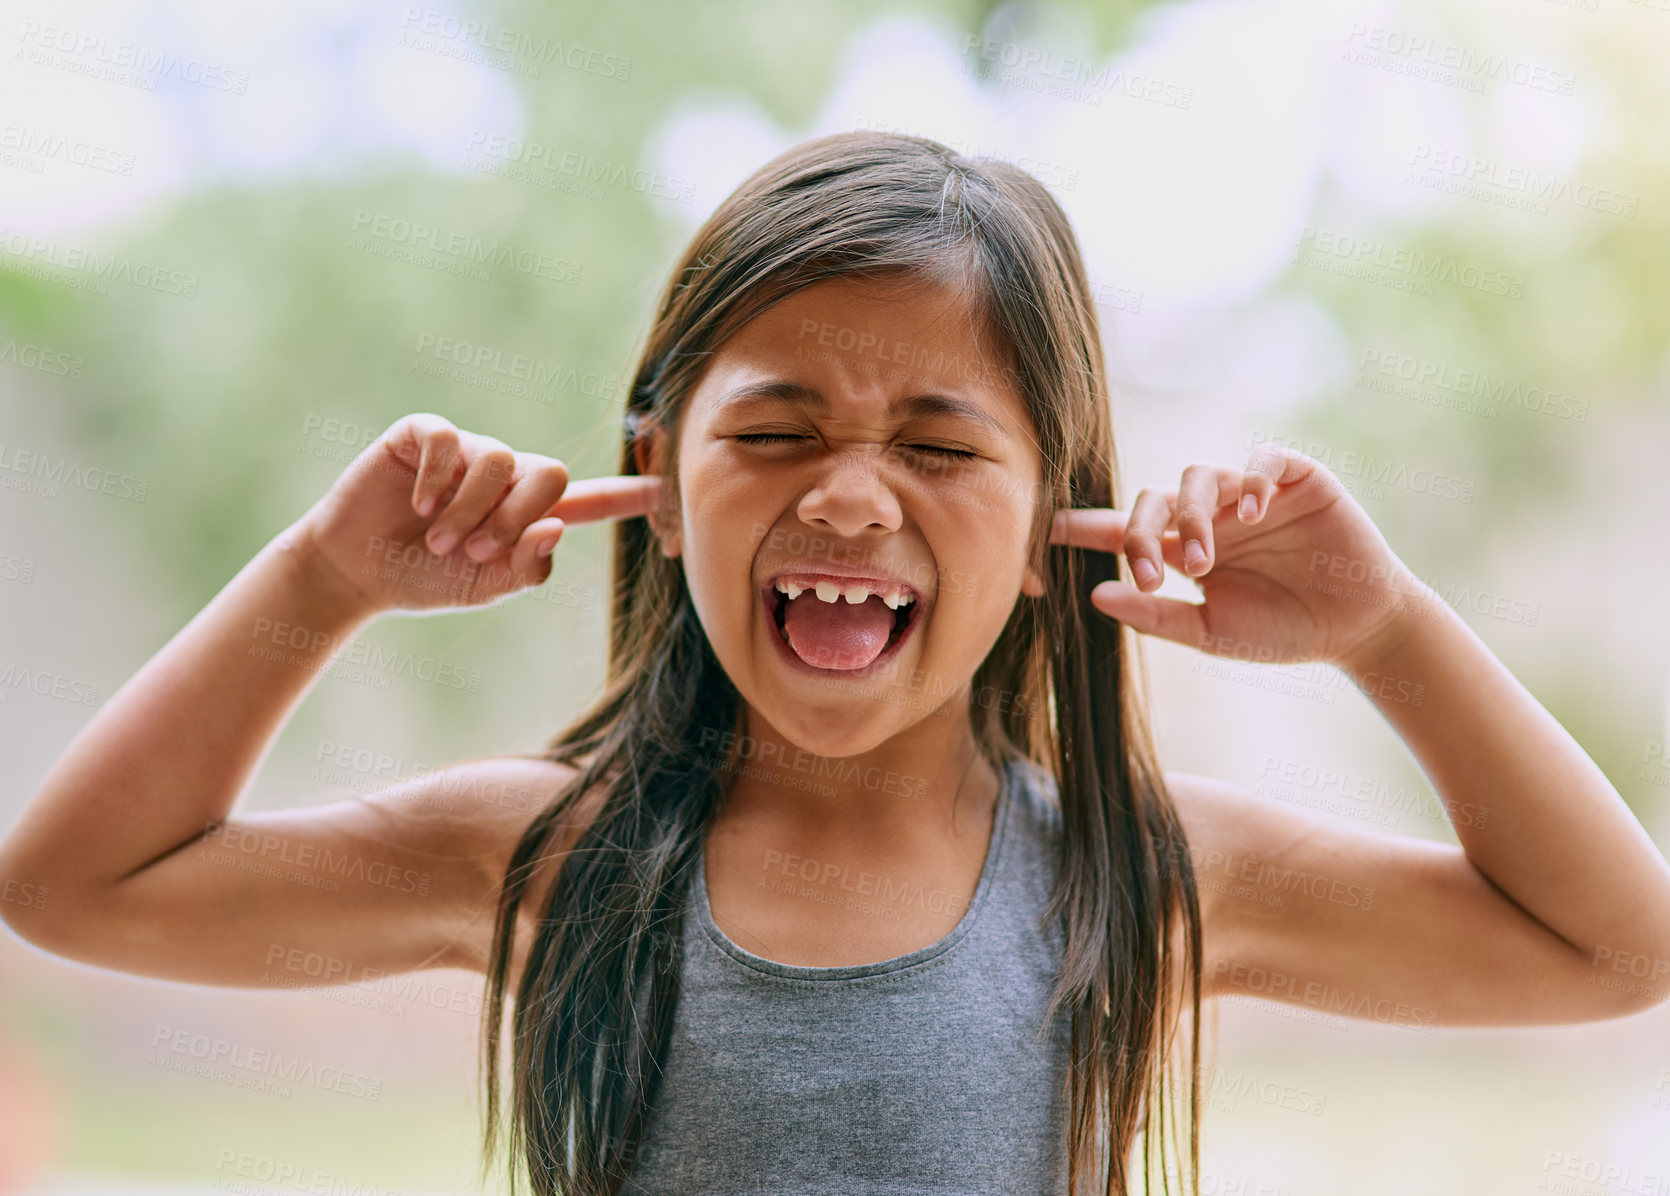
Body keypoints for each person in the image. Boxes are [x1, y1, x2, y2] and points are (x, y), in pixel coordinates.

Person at [3, 130, 1668, 1196]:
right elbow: (75, 884)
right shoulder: (552, 860)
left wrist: (1381, 631)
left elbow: (1610, 949)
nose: (851, 495)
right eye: (777, 429)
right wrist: (322, 579)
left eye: (940, 450)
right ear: (654, 485)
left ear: (1047, 527)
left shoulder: (1135, 875)